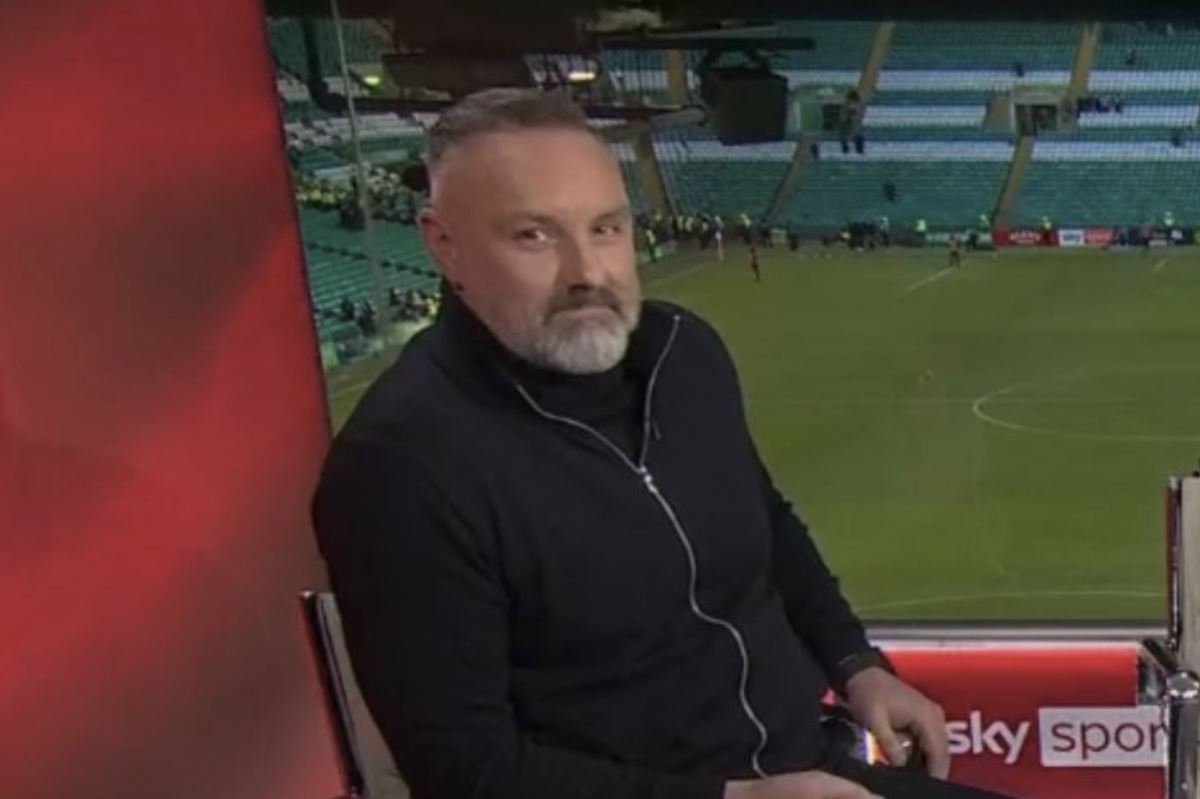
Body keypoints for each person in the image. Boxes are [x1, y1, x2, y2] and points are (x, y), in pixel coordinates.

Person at [312, 87, 1026, 799]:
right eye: (533, 235)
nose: (586, 272)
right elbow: (467, 772)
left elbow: (766, 523)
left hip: (806, 770)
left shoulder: (684, 353)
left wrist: (854, 662)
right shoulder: (401, 468)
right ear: (444, 244)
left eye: (605, 228)